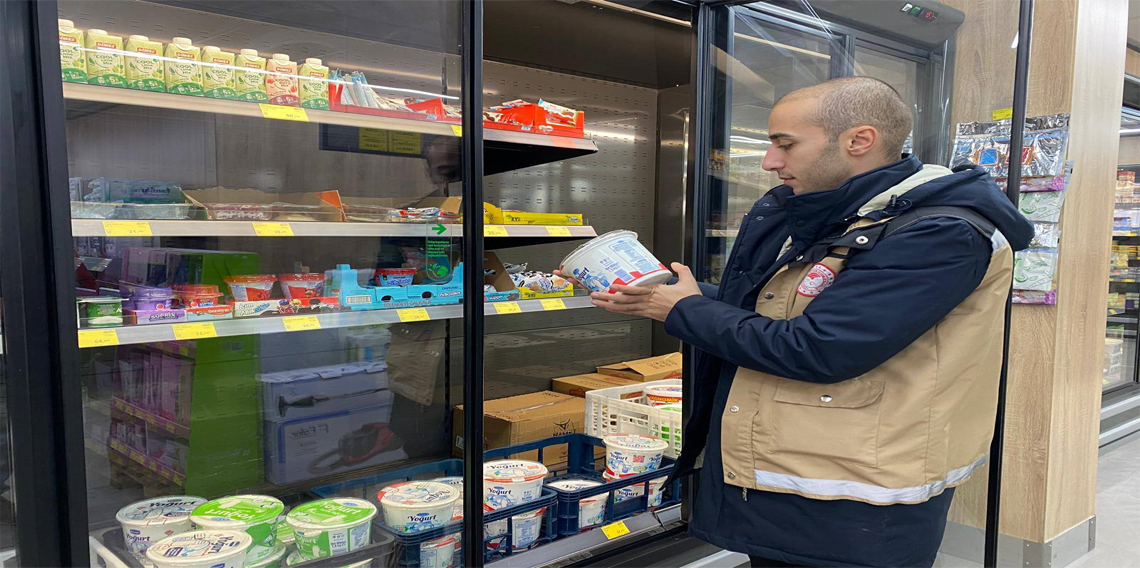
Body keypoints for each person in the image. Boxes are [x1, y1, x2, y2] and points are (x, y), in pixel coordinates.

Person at [561, 77, 1034, 567]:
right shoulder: (841, 213)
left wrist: (684, 310)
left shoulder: (939, 233)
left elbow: (822, 347)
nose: (770, 161)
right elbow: (782, 310)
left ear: (859, 140)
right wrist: (665, 295)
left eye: (785, 144)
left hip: (862, 497)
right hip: (804, 470)